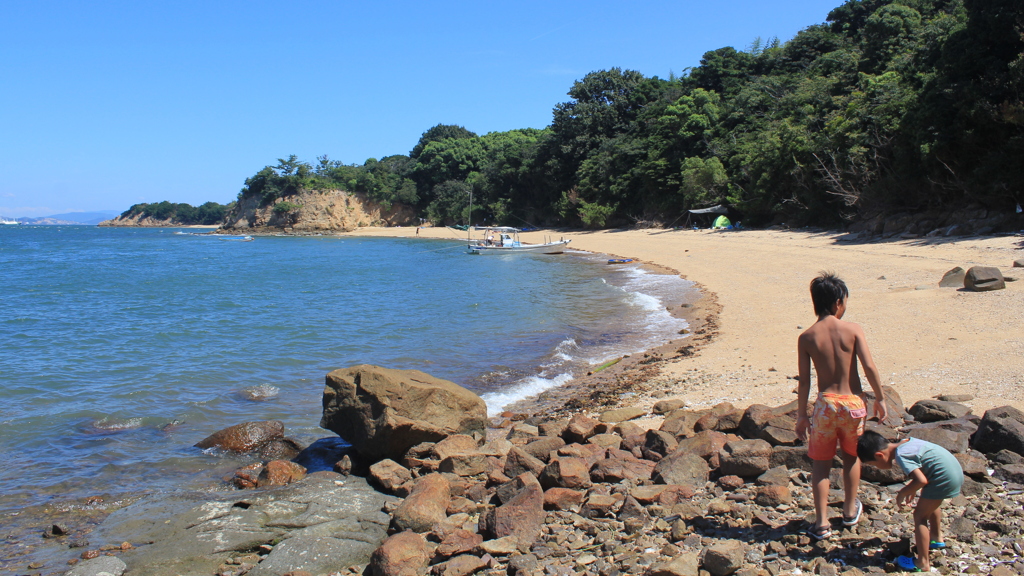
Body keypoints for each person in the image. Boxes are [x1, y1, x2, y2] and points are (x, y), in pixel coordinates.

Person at [795, 272, 887, 540]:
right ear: (838, 303)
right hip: (852, 404)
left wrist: (802, 415)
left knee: (821, 465)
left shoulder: (807, 337)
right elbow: (869, 366)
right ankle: (848, 511)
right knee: (851, 456)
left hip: (825, 405)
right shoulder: (853, 329)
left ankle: (822, 523)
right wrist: (880, 398)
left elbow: (804, 381)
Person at [857, 430, 963, 572]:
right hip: (953, 472)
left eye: (874, 464)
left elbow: (920, 480)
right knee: (930, 502)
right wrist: (913, 488)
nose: (877, 468)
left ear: (879, 455)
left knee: (920, 516)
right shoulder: (906, 442)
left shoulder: (901, 456)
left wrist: (903, 492)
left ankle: (922, 562)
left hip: (943, 478)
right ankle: (936, 538)